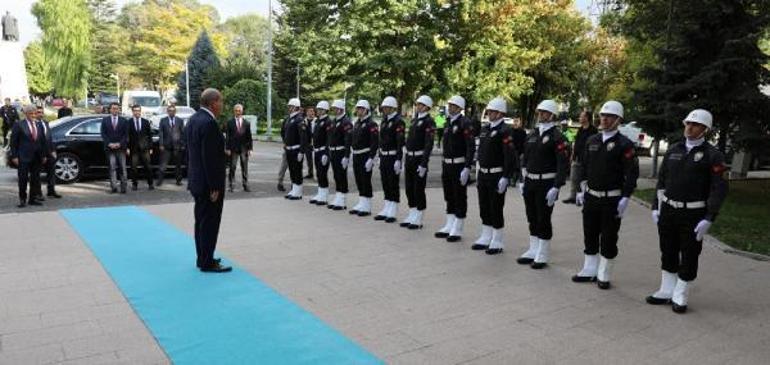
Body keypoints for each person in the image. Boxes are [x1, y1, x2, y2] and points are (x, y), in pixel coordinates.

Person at [646, 109, 728, 313]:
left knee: (689, 254)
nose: (689, 128)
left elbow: (719, 188)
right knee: (668, 250)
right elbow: (662, 181)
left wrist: (710, 217)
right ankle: (666, 289)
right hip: (669, 211)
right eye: (687, 123)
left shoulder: (713, 155)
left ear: (705, 129)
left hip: (693, 214)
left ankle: (680, 294)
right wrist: (656, 207)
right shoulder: (674, 149)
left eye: (695, 125)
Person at [572, 101, 639, 289]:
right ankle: (589, 269)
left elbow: (632, 173)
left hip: (612, 199)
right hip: (591, 196)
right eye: (602, 115)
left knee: (609, 237)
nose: (604, 119)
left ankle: (604, 273)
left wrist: (626, 197)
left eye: (609, 116)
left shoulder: (624, 144)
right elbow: (584, 166)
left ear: (618, 120)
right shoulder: (592, 140)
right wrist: (580, 189)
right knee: (590, 233)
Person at [516, 99, 569, 269]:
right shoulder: (532, 134)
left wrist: (557, 186)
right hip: (530, 181)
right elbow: (526, 157)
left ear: (552, 115)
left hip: (546, 183)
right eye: (540, 112)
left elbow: (562, 164)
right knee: (531, 216)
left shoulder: (557, 137)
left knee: (543, 218)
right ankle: (533, 249)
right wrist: (522, 178)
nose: (541, 115)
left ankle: (543, 253)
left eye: (544, 112)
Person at [187, 88, 230, 273]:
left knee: (201, 222)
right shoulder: (209, 123)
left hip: (197, 180)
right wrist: (214, 186)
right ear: (213, 102)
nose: (222, 105)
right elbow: (210, 158)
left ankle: (203, 257)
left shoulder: (193, 119)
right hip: (208, 184)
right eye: (221, 101)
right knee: (210, 223)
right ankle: (207, 261)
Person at [471, 97, 519, 254]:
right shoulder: (485, 129)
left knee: (496, 207)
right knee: (484, 206)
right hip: (484, 174)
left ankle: (497, 240)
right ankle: (486, 236)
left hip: (497, 175)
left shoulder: (505, 131)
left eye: (492, 111)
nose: (489, 113)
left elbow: (509, 156)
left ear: (500, 113)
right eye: (489, 111)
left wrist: (506, 176)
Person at [435, 95, 475, 242]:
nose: (449, 107)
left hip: (459, 164)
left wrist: (467, 167)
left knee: (459, 195)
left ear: (459, 108)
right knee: (449, 195)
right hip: (447, 164)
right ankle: (449, 224)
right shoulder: (447, 123)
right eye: (449, 105)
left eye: (452, 105)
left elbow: (470, 147)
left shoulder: (465, 123)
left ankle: (458, 228)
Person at [400, 95, 435, 230]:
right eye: (418, 104)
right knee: (409, 188)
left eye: (421, 104)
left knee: (418, 188)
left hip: (419, 158)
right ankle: (412, 213)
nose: (418, 106)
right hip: (410, 157)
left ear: (427, 107)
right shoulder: (414, 120)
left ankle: (419, 217)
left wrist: (424, 163)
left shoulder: (429, 122)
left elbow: (428, 144)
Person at [373, 96, 405, 223]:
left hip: (393, 156)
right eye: (383, 107)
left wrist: (399, 159)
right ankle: (387, 207)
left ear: (393, 107)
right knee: (385, 182)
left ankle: (393, 209)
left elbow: (400, 142)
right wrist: (380, 156)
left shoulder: (398, 121)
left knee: (393, 183)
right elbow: (382, 140)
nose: (384, 109)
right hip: (384, 155)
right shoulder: (385, 120)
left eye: (386, 107)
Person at [9, 105, 47, 208]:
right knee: (23, 179)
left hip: (37, 157)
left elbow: (43, 141)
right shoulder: (19, 125)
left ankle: (32, 199)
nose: (34, 115)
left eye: (35, 113)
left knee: (35, 179)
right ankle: (22, 199)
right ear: (26, 114)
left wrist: (44, 155)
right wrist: (14, 156)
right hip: (23, 157)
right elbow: (13, 142)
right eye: (31, 113)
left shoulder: (39, 125)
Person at [348, 100, 379, 217]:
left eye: (361, 109)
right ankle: (362, 202)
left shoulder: (372, 124)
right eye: (358, 108)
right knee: (359, 180)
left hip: (365, 155)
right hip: (356, 154)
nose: (359, 110)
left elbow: (374, 143)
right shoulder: (357, 123)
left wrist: (371, 158)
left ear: (366, 110)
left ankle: (367, 206)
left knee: (365, 180)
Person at [564, 110, 598, 205]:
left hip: (587, 159)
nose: (579, 118)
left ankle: (583, 197)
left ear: (587, 118)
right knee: (574, 177)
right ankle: (572, 196)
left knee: (584, 179)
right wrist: (572, 155)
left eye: (581, 116)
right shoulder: (580, 129)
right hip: (577, 158)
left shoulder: (593, 130)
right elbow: (576, 143)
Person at [327, 99, 353, 210]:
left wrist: (346, 156)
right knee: (336, 175)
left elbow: (348, 140)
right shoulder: (334, 121)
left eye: (336, 108)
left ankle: (342, 199)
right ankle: (338, 196)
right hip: (333, 151)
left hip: (341, 151)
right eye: (334, 108)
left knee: (341, 175)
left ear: (341, 109)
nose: (334, 110)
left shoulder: (346, 122)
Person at [282, 98, 309, 200]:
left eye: (290, 106)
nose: (289, 108)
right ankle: (294, 189)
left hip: (296, 149)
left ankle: (298, 192)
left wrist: (302, 152)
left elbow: (304, 137)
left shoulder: (300, 119)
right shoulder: (289, 118)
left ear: (296, 107)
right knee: (292, 170)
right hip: (289, 149)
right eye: (289, 106)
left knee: (297, 170)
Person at [100, 102, 129, 194]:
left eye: (117, 108)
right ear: (110, 109)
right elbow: (103, 134)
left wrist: (119, 144)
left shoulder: (124, 120)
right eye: (113, 108)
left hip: (121, 148)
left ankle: (123, 187)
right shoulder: (105, 120)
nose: (115, 110)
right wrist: (109, 144)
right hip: (110, 148)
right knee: (112, 168)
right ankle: (114, 187)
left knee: (122, 168)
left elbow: (126, 135)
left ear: (119, 110)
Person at [225, 104, 253, 192]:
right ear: (234, 111)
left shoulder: (246, 123)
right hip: (233, 149)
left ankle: (245, 185)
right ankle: (231, 185)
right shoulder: (230, 122)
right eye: (236, 110)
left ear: (242, 111)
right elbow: (228, 136)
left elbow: (249, 137)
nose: (238, 112)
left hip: (244, 149)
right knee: (232, 167)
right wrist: (227, 148)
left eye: (239, 110)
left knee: (244, 167)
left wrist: (250, 149)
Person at [309, 101, 332, 205]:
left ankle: (324, 196)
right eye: (317, 109)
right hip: (317, 150)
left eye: (319, 109)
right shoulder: (317, 121)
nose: (317, 111)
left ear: (324, 110)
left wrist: (326, 153)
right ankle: (320, 193)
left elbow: (329, 139)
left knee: (323, 173)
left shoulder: (328, 121)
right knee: (318, 173)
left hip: (323, 151)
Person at [127, 105, 155, 190]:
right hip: (133, 149)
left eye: (138, 110)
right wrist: (127, 148)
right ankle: (134, 184)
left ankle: (150, 184)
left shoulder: (145, 122)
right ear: (132, 112)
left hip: (145, 149)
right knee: (134, 168)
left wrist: (151, 148)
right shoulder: (129, 122)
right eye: (135, 110)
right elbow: (127, 136)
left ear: (140, 111)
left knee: (148, 167)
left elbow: (150, 136)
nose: (137, 112)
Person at [157, 104, 186, 186]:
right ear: (167, 112)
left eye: (173, 111)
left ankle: (178, 180)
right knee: (163, 165)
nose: (171, 112)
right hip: (166, 146)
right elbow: (161, 133)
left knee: (178, 165)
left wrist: (183, 144)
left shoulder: (180, 120)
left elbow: (182, 133)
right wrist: (161, 144)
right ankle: (159, 181)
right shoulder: (163, 120)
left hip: (177, 146)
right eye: (170, 111)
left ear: (175, 112)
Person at [37, 105, 61, 199]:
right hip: (39, 153)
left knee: (51, 173)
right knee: (37, 175)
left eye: (41, 112)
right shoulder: (34, 124)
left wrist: (53, 150)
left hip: (49, 152)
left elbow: (49, 138)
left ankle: (51, 191)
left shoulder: (45, 123)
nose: (40, 114)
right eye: (38, 112)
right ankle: (38, 193)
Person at [303, 107, 316, 179]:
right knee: (309, 159)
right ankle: (310, 173)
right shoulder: (304, 121)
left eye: (312, 111)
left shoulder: (317, 121)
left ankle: (318, 174)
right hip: (307, 143)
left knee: (317, 159)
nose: (311, 113)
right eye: (309, 111)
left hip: (315, 143)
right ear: (307, 112)